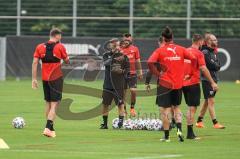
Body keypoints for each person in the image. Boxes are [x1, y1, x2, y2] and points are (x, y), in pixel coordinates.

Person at [148, 26, 196, 142]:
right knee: (177, 108)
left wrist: (157, 74)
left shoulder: (160, 50)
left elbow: (150, 62)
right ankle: (179, 132)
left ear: (163, 38)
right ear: (172, 37)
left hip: (165, 84)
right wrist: (188, 73)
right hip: (178, 84)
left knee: (164, 110)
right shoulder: (181, 49)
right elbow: (193, 58)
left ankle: (167, 136)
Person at [32, 28, 69, 138]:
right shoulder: (60, 46)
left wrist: (34, 79)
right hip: (56, 79)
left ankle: (51, 129)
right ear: (57, 36)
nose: (61, 37)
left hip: (45, 79)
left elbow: (34, 63)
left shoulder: (39, 47)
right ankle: (48, 127)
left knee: (48, 102)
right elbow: (67, 61)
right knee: (55, 103)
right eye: (60, 36)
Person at [183, 34, 218, 139]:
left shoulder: (185, 51)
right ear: (200, 42)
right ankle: (190, 134)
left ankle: (175, 126)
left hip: (182, 83)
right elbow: (203, 68)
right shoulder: (199, 53)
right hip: (193, 83)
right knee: (192, 108)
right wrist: (212, 82)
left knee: (177, 106)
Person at [196, 34, 225, 129]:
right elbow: (212, 65)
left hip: (213, 79)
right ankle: (215, 123)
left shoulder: (213, 52)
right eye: (214, 40)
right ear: (208, 41)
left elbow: (218, 65)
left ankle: (199, 121)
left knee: (207, 101)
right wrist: (216, 65)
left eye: (216, 40)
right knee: (211, 101)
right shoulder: (205, 52)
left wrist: (216, 65)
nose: (216, 41)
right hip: (207, 81)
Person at [100, 38, 130, 129]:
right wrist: (114, 57)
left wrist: (121, 71)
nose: (116, 46)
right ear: (110, 46)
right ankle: (105, 124)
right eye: (114, 45)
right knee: (105, 104)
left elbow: (127, 69)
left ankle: (121, 123)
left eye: (117, 45)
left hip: (118, 85)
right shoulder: (106, 55)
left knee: (120, 104)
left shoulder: (124, 56)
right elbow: (106, 63)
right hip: (108, 84)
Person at [120, 33, 143, 117]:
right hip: (122, 74)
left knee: (133, 91)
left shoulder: (135, 49)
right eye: (126, 39)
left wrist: (140, 72)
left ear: (131, 40)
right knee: (123, 93)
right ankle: (124, 109)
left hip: (132, 74)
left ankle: (132, 108)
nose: (127, 41)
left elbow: (138, 61)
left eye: (129, 39)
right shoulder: (119, 49)